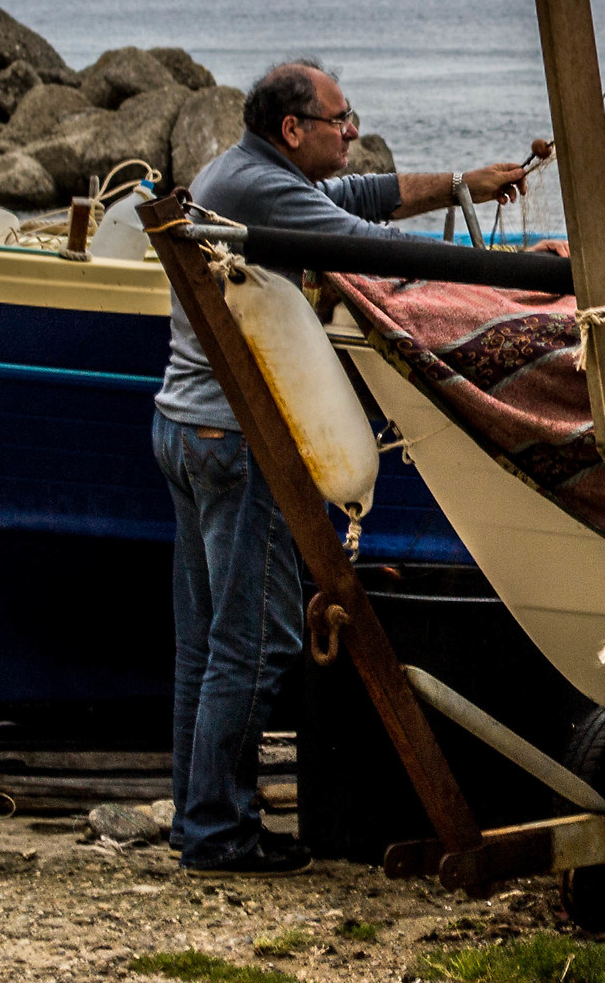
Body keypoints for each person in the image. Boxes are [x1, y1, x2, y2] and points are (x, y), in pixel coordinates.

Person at [152, 60, 545, 875]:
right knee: (258, 638)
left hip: (186, 428)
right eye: (341, 119)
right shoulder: (262, 188)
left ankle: (200, 816)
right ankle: (220, 833)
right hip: (236, 439)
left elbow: (359, 197)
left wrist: (462, 185)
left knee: (206, 640)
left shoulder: (242, 172)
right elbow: (368, 246)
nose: (353, 130)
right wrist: (518, 277)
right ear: (292, 129)